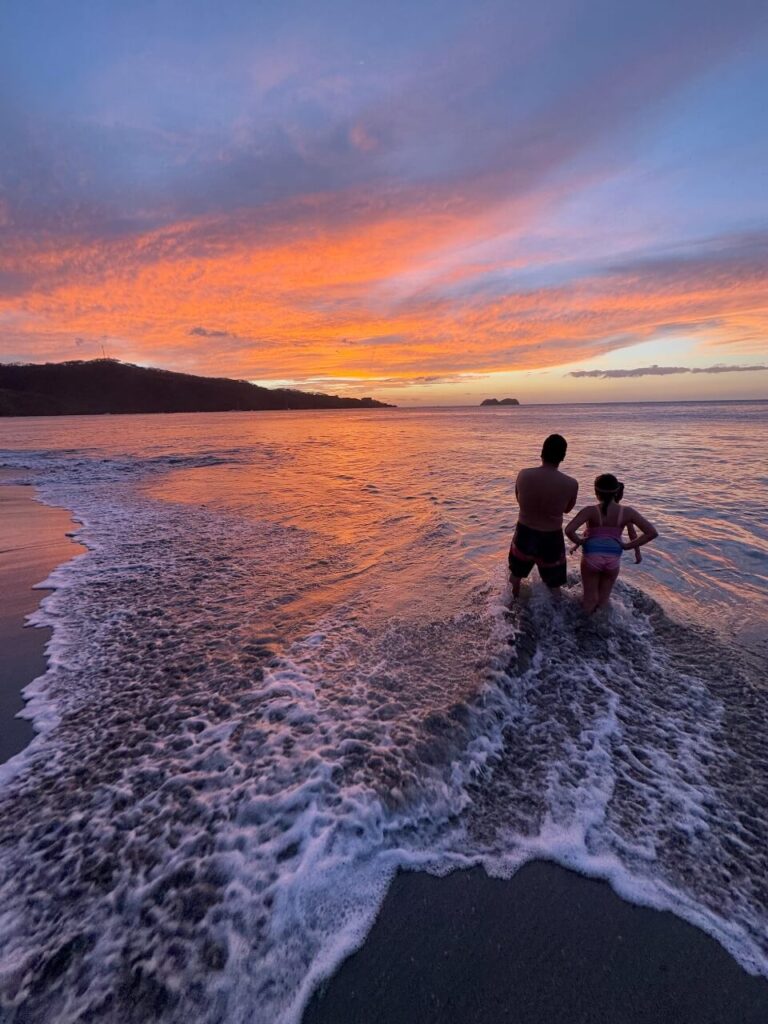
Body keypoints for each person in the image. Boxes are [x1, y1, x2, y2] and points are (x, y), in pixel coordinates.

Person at [565, 474, 658, 614]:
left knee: (590, 599)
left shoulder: (590, 511)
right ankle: (602, 626)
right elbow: (651, 532)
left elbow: (569, 530)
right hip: (613, 558)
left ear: (596, 493)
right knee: (603, 600)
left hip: (591, 557)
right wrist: (628, 546)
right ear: (616, 492)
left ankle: (585, 630)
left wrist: (580, 541)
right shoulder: (627, 512)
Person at [509, 434, 579, 598]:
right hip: (551, 538)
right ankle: (557, 619)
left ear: (542, 452)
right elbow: (567, 510)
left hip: (525, 533)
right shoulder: (571, 483)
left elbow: (519, 500)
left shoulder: (523, 475)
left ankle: (511, 607)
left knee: (515, 577)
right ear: (563, 456)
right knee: (554, 586)